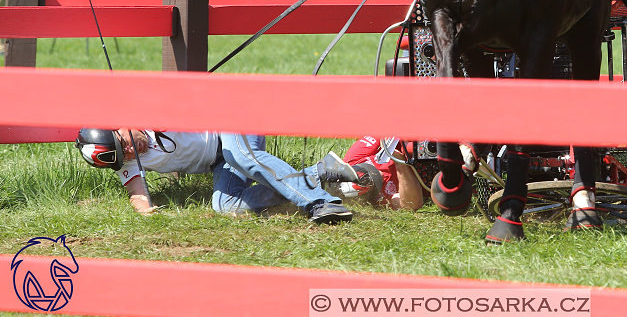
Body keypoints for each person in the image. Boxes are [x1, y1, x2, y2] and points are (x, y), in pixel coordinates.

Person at [74, 128, 359, 223]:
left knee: (241, 155)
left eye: (125, 141)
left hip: (232, 124)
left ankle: (319, 203)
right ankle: (320, 172)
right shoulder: (129, 160)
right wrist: (147, 212)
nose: (132, 150)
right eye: (126, 155)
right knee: (224, 206)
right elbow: (137, 193)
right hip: (219, 159)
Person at [338, 136, 424, 211]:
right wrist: (399, 162)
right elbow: (412, 204)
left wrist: (388, 145)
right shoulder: (379, 200)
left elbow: (381, 133)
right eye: (369, 185)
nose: (375, 177)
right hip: (426, 174)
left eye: (365, 176)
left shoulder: (353, 159)